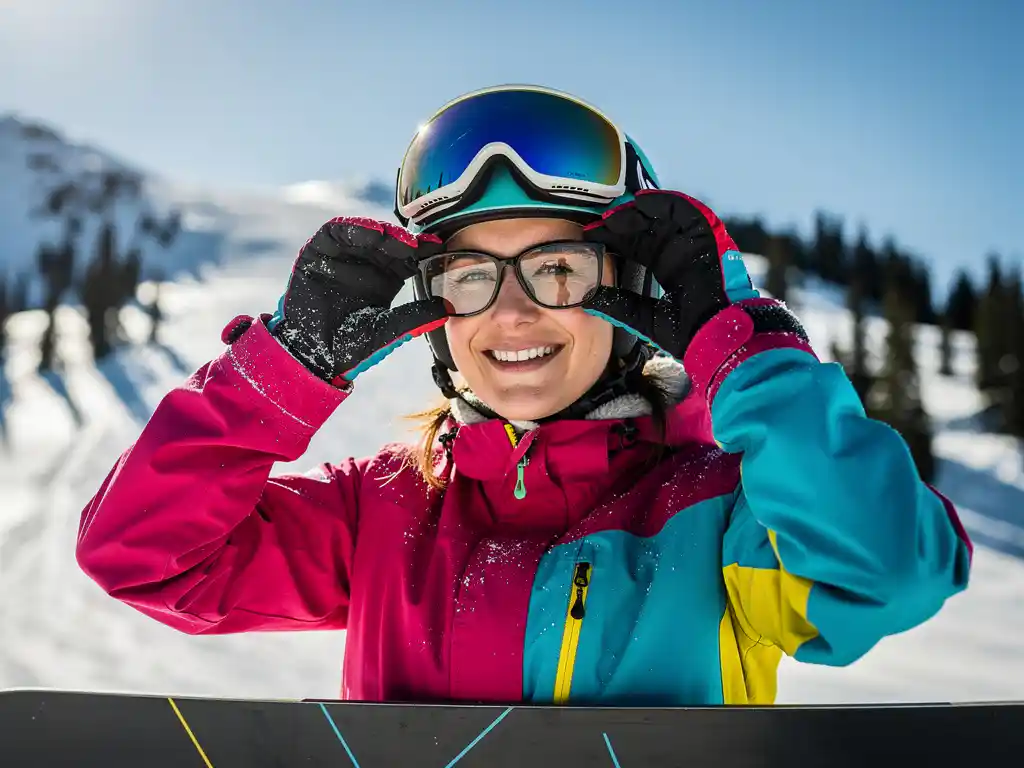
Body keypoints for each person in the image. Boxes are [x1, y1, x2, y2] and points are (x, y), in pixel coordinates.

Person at [76, 84, 973, 706]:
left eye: (555, 268)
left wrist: (744, 345)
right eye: (471, 276)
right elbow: (141, 556)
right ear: (437, 312)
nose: (509, 312)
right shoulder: (384, 511)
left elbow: (887, 569)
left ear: (633, 297)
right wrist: (281, 369)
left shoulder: (724, 515)